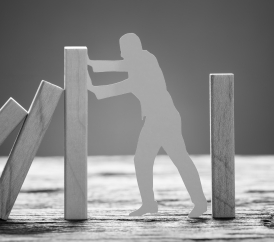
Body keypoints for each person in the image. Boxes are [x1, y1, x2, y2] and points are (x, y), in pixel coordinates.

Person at [87, 33, 207, 217]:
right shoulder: (139, 65)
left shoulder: (145, 60)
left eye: (123, 50)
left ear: (132, 49)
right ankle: (150, 204)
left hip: (164, 118)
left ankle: (198, 203)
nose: (121, 54)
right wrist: (90, 66)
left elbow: (121, 78)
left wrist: (93, 80)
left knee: (179, 159)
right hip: (155, 119)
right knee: (145, 160)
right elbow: (117, 71)